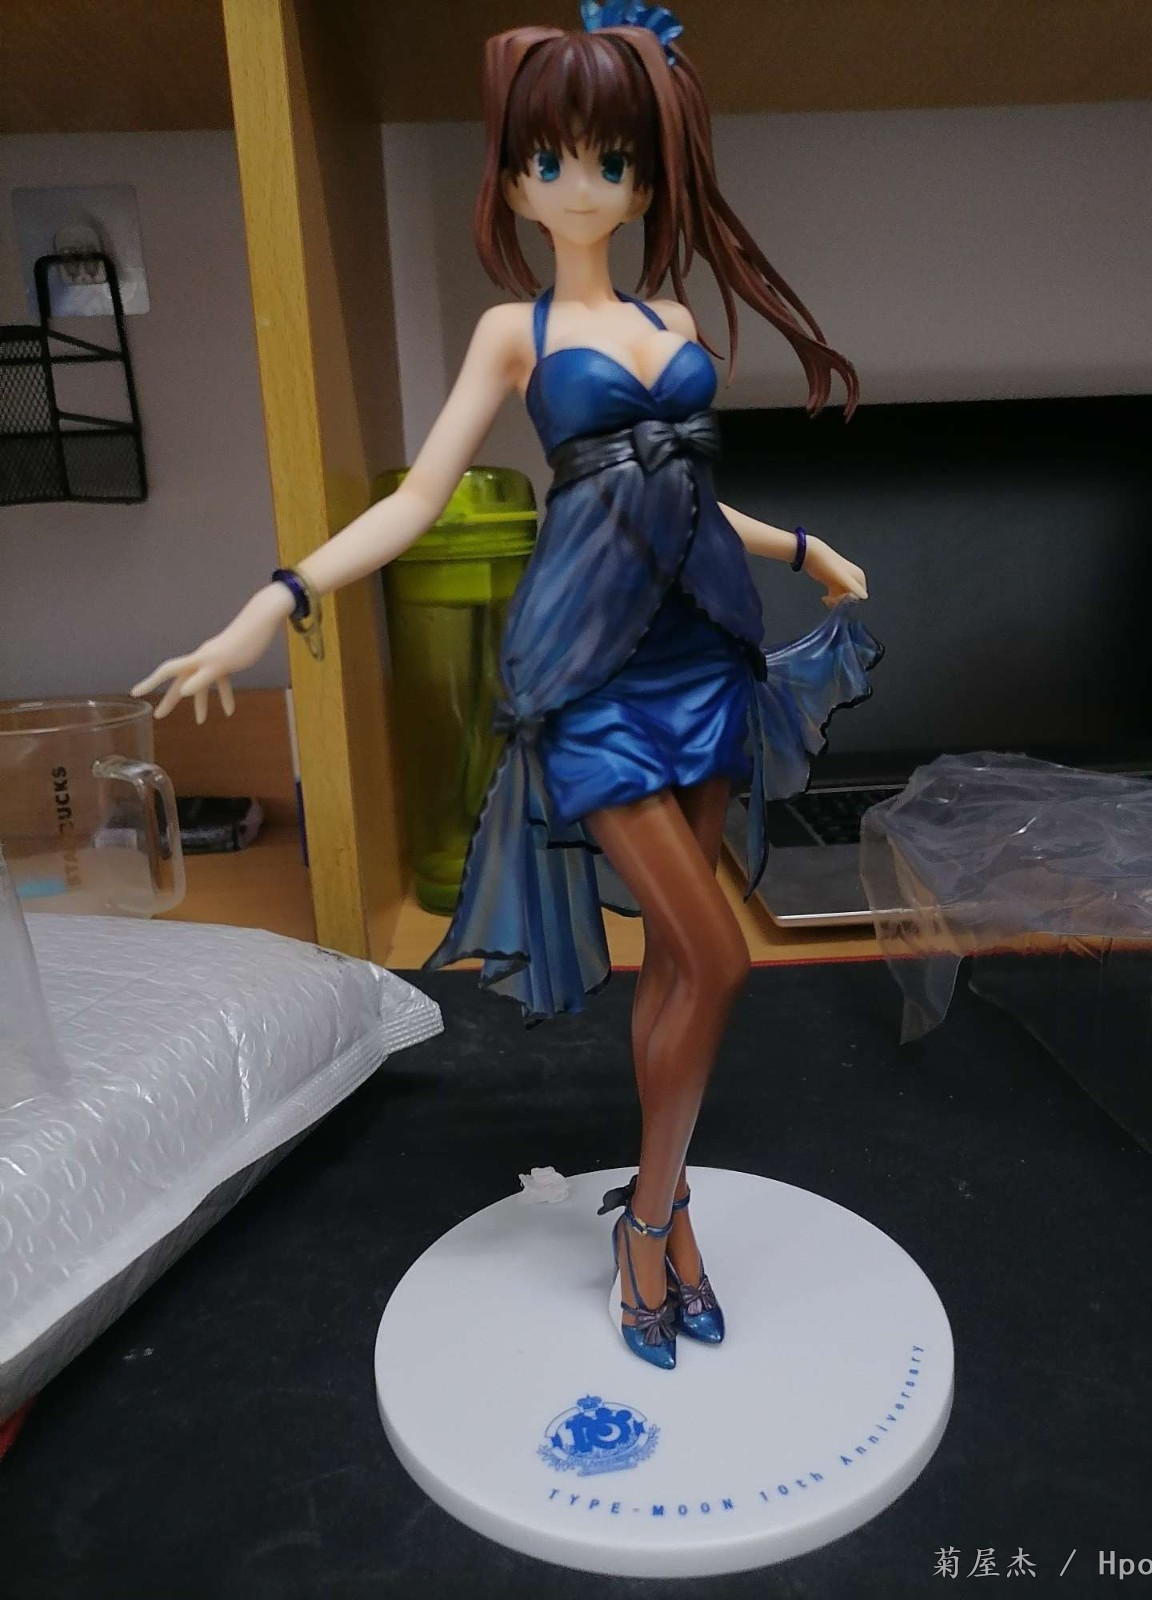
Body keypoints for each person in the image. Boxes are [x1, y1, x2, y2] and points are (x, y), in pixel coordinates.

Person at [132, 3, 883, 1372]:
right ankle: (647, 1224)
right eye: (552, 161)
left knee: (683, 965)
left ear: (647, 180)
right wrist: (275, 600)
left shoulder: (667, 315)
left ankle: (664, 1212)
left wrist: (798, 546)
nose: (580, 186)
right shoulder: (512, 333)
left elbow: (685, 496)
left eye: (611, 161)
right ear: (517, 179)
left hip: (701, 653)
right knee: (721, 954)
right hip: (589, 673)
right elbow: (417, 500)